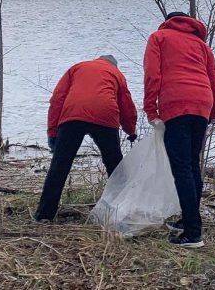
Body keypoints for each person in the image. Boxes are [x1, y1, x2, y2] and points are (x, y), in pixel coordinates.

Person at [143, 12, 215, 248]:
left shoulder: (158, 38)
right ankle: (187, 221)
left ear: (168, 22)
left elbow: (152, 76)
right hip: (202, 103)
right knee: (191, 165)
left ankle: (192, 233)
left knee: (181, 168)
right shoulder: (202, 45)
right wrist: (212, 112)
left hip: (176, 103)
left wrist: (151, 110)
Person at [34, 55, 138, 222]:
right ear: (114, 65)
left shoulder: (77, 67)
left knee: (59, 165)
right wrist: (130, 130)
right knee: (115, 165)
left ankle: (44, 215)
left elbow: (57, 99)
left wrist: (52, 133)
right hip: (105, 114)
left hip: (73, 115)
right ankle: (123, 212)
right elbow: (126, 105)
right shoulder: (117, 74)